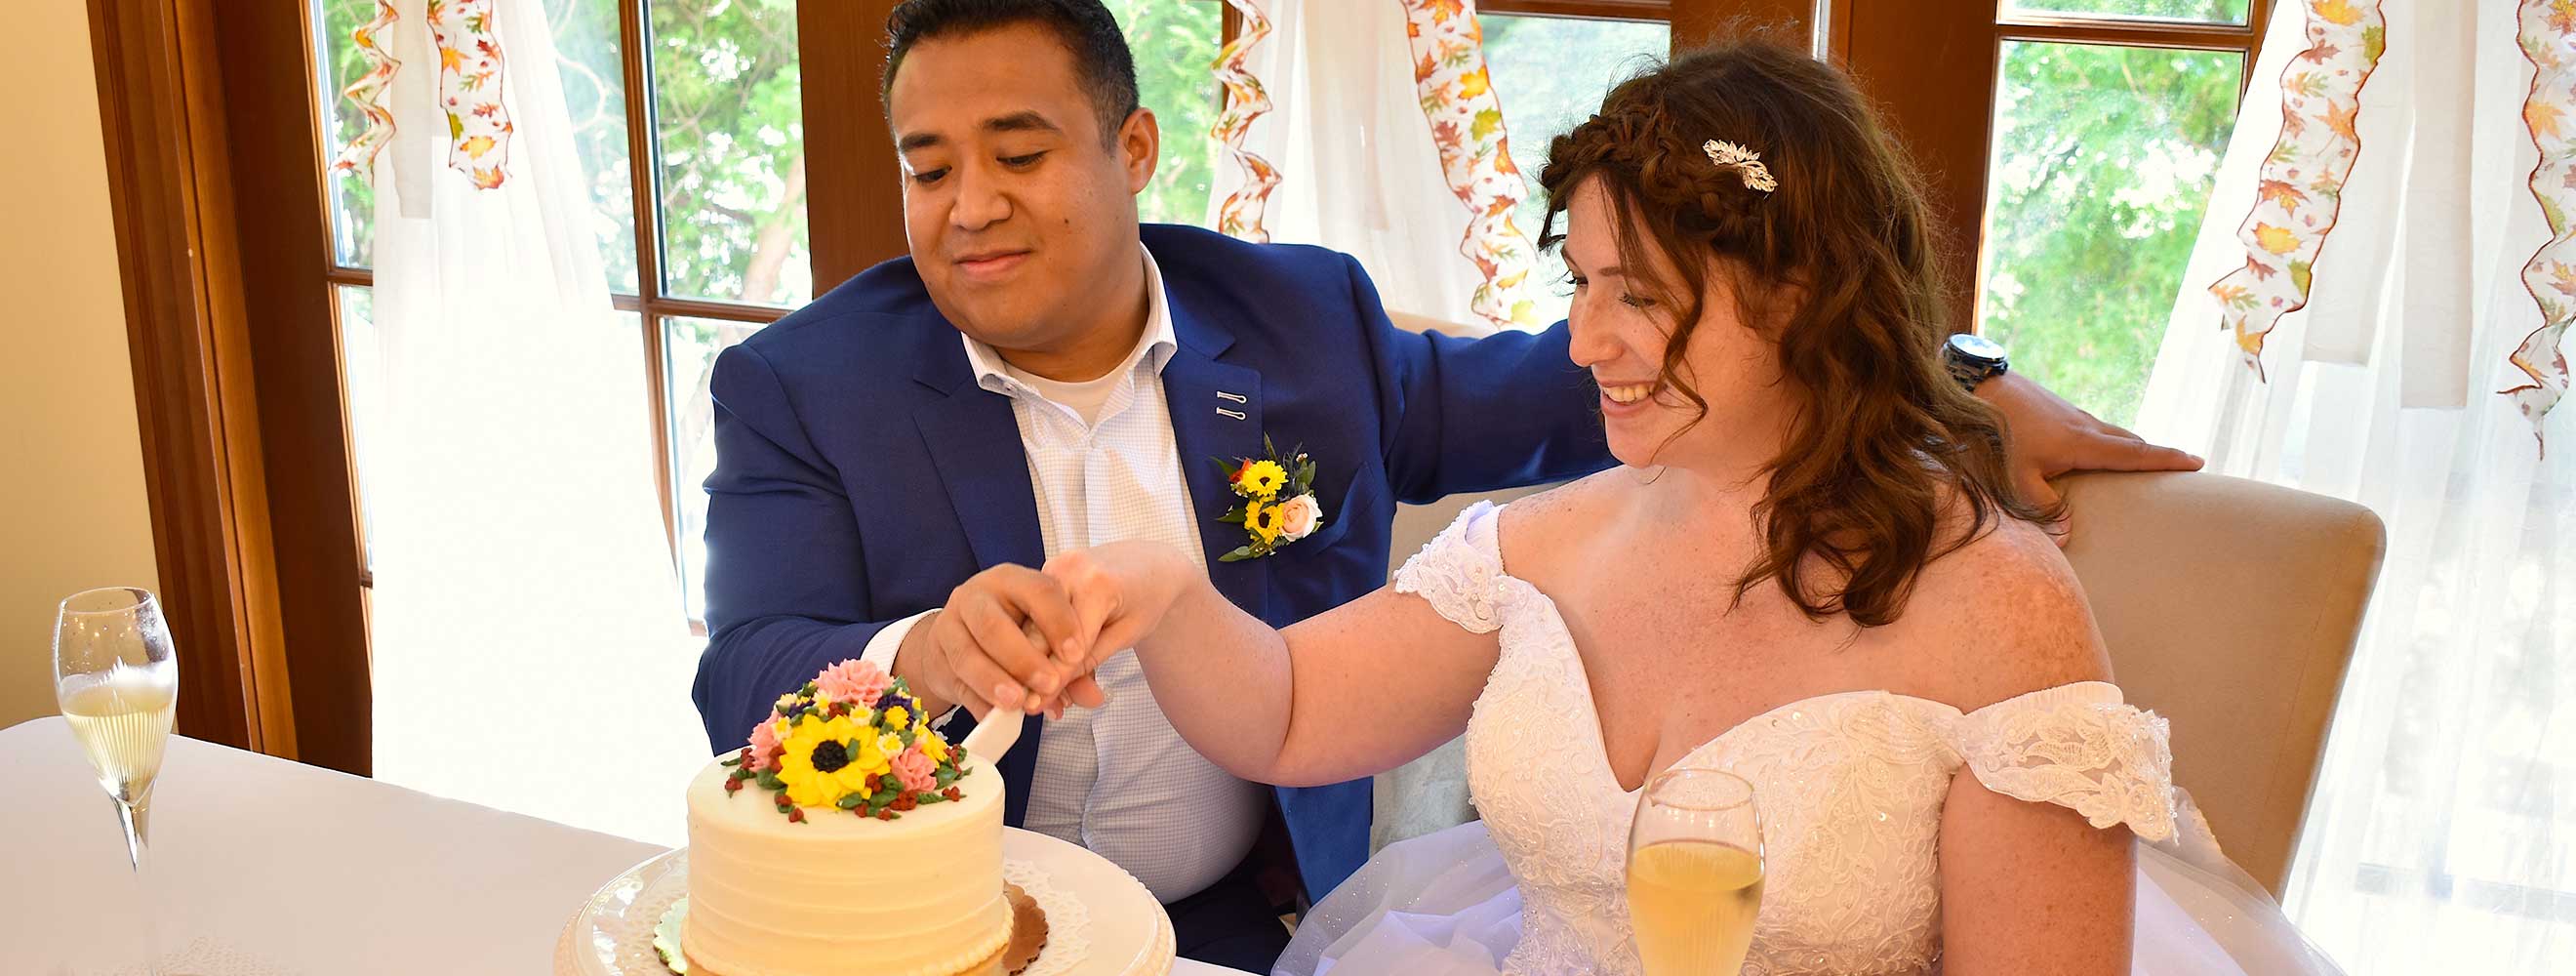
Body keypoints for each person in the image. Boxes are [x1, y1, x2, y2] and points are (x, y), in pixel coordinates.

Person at [690, 1, 2198, 968]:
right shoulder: (799, 383)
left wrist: (1959, 368)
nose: (969, 207)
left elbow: (1696, 357)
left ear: (1134, 146)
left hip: (1239, 923)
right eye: (926, 164)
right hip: (924, 927)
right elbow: (747, 678)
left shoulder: (1305, 327)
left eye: (1017, 150)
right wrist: (1013, 631)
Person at [1036, 38, 2343, 976]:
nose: (1584, 340)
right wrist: (1161, 592)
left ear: (1799, 299)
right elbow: (1288, 708)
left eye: (1640, 295)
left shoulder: (1999, 611)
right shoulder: (1540, 546)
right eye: (1584, 283)